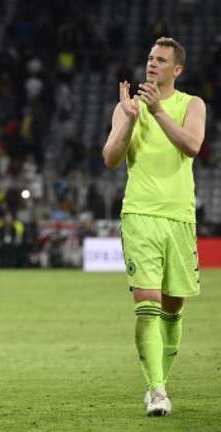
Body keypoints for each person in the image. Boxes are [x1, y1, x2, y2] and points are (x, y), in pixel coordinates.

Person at [102, 37, 206, 416]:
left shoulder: (191, 105)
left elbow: (193, 145)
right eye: (149, 58)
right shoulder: (127, 107)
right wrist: (129, 120)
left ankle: (161, 379)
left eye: (161, 60)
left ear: (176, 69)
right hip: (140, 215)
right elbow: (111, 158)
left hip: (179, 217)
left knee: (174, 309)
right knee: (148, 305)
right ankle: (157, 390)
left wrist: (158, 112)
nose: (152, 64)